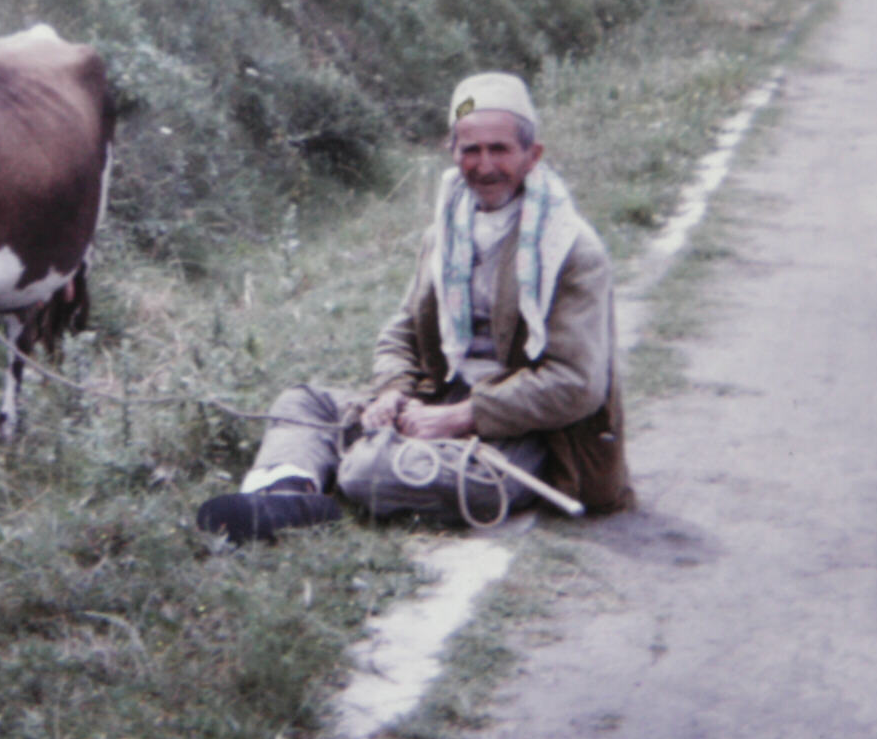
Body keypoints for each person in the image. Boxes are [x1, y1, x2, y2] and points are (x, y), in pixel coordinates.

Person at [197, 72, 633, 543]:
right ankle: (285, 498)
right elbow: (403, 329)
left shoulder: (572, 249)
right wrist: (391, 392)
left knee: (379, 474)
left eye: (500, 149)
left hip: (525, 432)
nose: (485, 166)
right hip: (438, 398)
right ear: (452, 152)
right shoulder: (446, 230)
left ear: (533, 155)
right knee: (302, 401)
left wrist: (462, 417)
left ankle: (355, 466)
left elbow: (576, 385)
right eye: (471, 150)